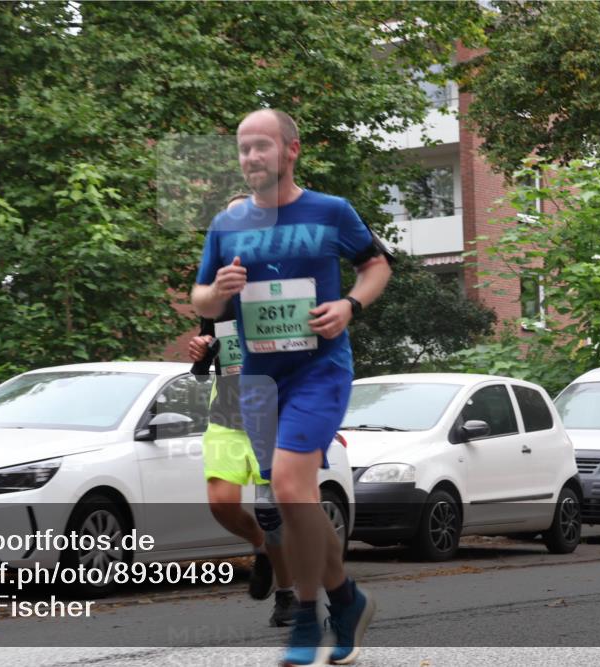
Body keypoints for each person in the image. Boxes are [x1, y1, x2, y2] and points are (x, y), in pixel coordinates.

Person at [191, 109, 393, 666]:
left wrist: (350, 305)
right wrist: (219, 291)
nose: (251, 157)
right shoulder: (226, 224)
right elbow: (200, 299)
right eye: (243, 148)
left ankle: (307, 616)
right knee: (293, 497)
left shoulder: (331, 211)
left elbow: (377, 265)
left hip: (318, 371)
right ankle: (345, 600)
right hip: (258, 381)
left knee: (286, 485)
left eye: (262, 146)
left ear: (291, 150)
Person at [189, 193, 297, 627]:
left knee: (272, 512)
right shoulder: (217, 295)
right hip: (229, 411)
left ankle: (286, 595)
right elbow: (206, 362)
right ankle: (260, 547)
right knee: (221, 504)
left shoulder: (284, 281)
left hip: (275, 413)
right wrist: (201, 353)